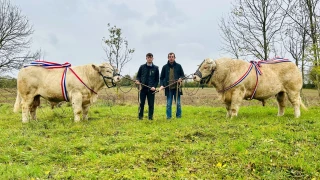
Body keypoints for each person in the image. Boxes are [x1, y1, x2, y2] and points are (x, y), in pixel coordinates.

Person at [159, 52, 185, 119]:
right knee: (168, 104)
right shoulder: (164, 67)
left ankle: (178, 116)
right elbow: (161, 78)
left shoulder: (179, 66)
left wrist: (180, 79)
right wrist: (162, 85)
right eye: (170, 57)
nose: (171, 58)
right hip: (168, 89)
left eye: (172, 57)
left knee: (178, 104)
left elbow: (183, 76)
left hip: (177, 88)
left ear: (174, 58)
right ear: (168, 58)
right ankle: (168, 117)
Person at [135, 53, 159, 120]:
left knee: (151, 105)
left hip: (151, 90)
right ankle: (140, 117)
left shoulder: (156, 68)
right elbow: (138, 76)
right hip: (142, 89)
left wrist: (154, 86)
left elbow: (157, 80)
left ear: (152, 58)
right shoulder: (142, 67)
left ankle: (150, 117)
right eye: (148, 57)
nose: (149, 58)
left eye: (151, 57)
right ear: (146, 58)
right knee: (141, 104)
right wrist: (138, 80)